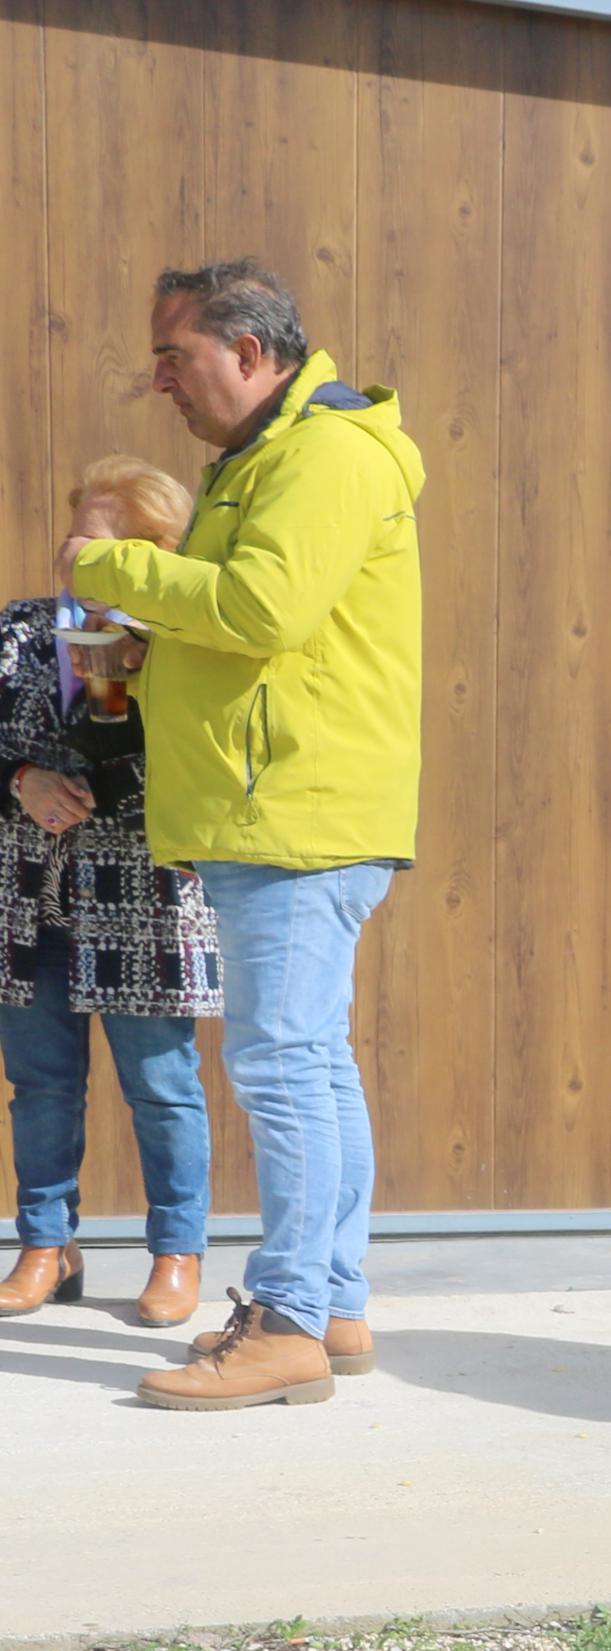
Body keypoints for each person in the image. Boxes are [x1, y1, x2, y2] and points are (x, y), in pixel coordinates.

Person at [67, 260, 421, 1412]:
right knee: (312, 1061)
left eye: (174, 356)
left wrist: (115, 568)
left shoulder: (322, 456)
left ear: (249, 355)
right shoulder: (261, 462)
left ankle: (285, 1322)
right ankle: (335, 1300)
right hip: (279, 805)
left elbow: (266, 609)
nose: (157, 379)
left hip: (293, 811)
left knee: (280, 1065)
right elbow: (248, 622)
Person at [3, 459, 218, 1329]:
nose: (75, 552)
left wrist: (124, 686)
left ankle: (177, 1253)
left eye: (99, 538)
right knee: (40, 1084)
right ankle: (46, 1248)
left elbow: (198, 766)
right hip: (28, 893)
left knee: (162, 1087)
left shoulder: (181, 643)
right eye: (74, 532)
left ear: (151, 551)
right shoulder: (17, 630)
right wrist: (19, 778)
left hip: (143, 895)